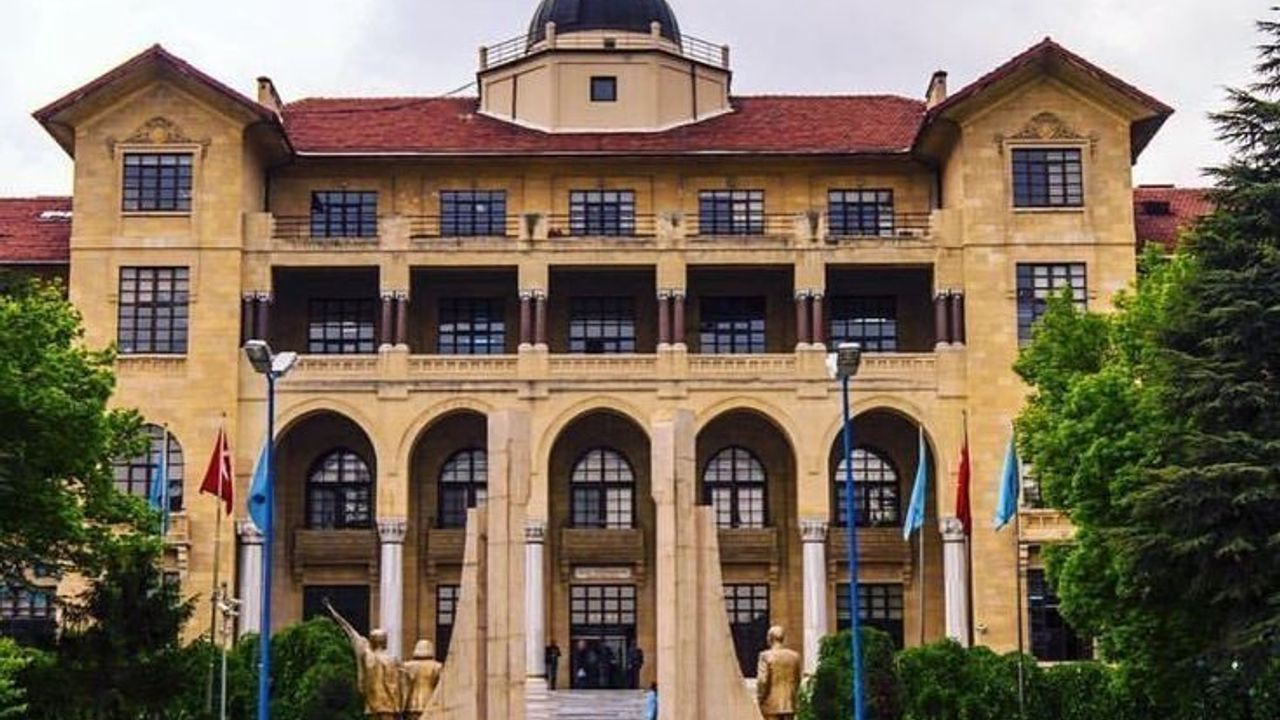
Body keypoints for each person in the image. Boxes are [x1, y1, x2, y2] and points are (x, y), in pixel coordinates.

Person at [324, 599, 403, 720]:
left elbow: (350, 631)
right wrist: (398, 706)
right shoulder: (392, 660)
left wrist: (333, 612)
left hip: (372, 703)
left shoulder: (367, 655)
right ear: (384, 641)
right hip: (388, 705)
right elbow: (394, 685)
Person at [756, 626, 801, 720]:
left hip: (770, 703)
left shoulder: (765, 656)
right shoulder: (794, 656)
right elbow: (797, 680)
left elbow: (762, 680)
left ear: (770, 638)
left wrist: (760, 697)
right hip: (789, 704)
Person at [402, 640, 443, 720]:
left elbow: (403, 688)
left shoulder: (407, 666)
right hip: (430, 703)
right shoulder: (437, 667)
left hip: (411, 705)